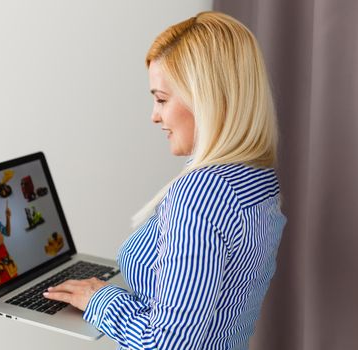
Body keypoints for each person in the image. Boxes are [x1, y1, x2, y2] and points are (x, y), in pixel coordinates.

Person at [44, 11, 286, 349]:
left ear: (206, 98)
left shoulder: (201, 194)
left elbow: (166, 345)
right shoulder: (257, 179)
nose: (154, 115)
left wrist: (100, 299)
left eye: (161, 99)